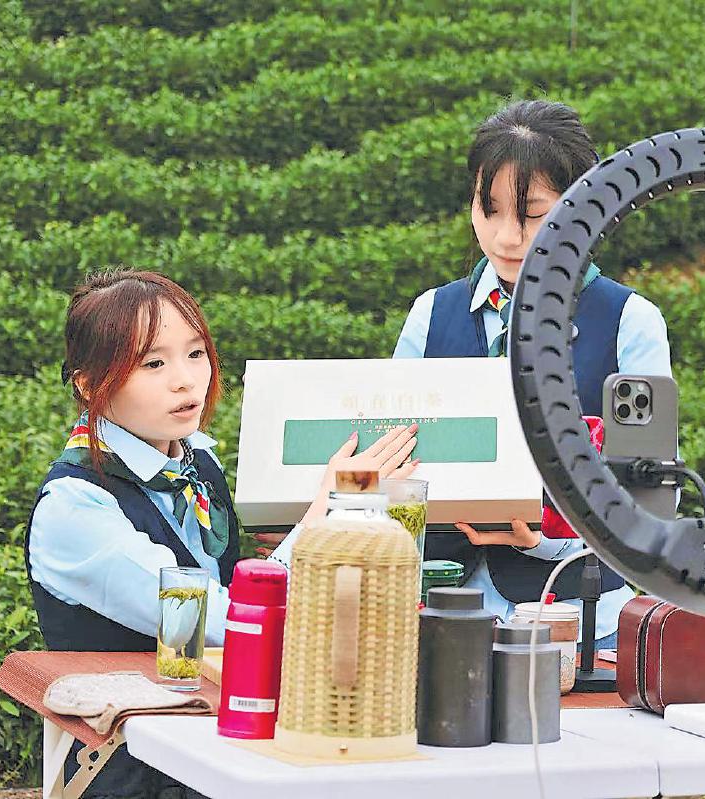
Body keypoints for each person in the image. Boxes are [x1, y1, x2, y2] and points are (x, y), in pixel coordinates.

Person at [26, 268, 417, 799]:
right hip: (134, 768)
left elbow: (237, 597)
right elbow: (212, 622)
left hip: (220, 742)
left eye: (195, 353)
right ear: (90, 383)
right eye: (153, 363)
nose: (186, 380)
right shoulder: (76, 508)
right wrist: (324, 518)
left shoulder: (197, 464)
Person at [393, 99, 673, 650]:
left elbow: (650, 500)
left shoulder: (629, 321)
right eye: (489, 209)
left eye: (533, 214)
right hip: (440, 610)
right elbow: (394, 463)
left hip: (581, 621)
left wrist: (543, 542)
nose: (506, 237)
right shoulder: (432, 314)